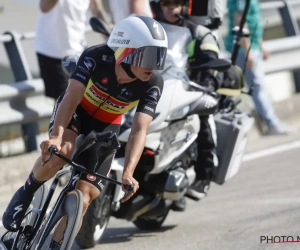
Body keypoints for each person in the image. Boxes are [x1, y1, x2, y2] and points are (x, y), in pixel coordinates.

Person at [3, 16, 168, 241]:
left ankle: (55, 244)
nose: (153, 65)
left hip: (107, 126)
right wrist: (56, 136)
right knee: (61, 154)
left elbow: (140, 129)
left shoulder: (154, 83)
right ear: (126, 52)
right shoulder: (96, 57)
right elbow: (70, 98)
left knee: (87, 195)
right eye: (148, 56)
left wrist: (129, 172)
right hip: (76, 112)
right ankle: (26, 192)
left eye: (158, 57)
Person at [151, 0, 224, 210]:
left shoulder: (199, 32)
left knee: (204, 119)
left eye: (175, 4)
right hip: (156, 87)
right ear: (159, 5)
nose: (171, 8)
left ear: (184, 6)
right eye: (166, 4)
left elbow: (212, 60)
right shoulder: (150, 30)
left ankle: (204, 176)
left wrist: (207, 83)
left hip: (188, 89)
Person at [225, 0, 290, 135]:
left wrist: (261, 45)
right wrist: (248, 50)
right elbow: (240, 21)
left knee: (256, 87)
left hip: (251, 46)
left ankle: (268, 121)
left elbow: (252, 21)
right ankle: (272, 124)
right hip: (244, 48)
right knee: (257, 87)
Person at [35, 0, 110, 101]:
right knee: (63, 102)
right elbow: (44, 7)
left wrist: (111, 38)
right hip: (53, 51)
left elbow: (97, 11)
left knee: (85, 100)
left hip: (78, 51)